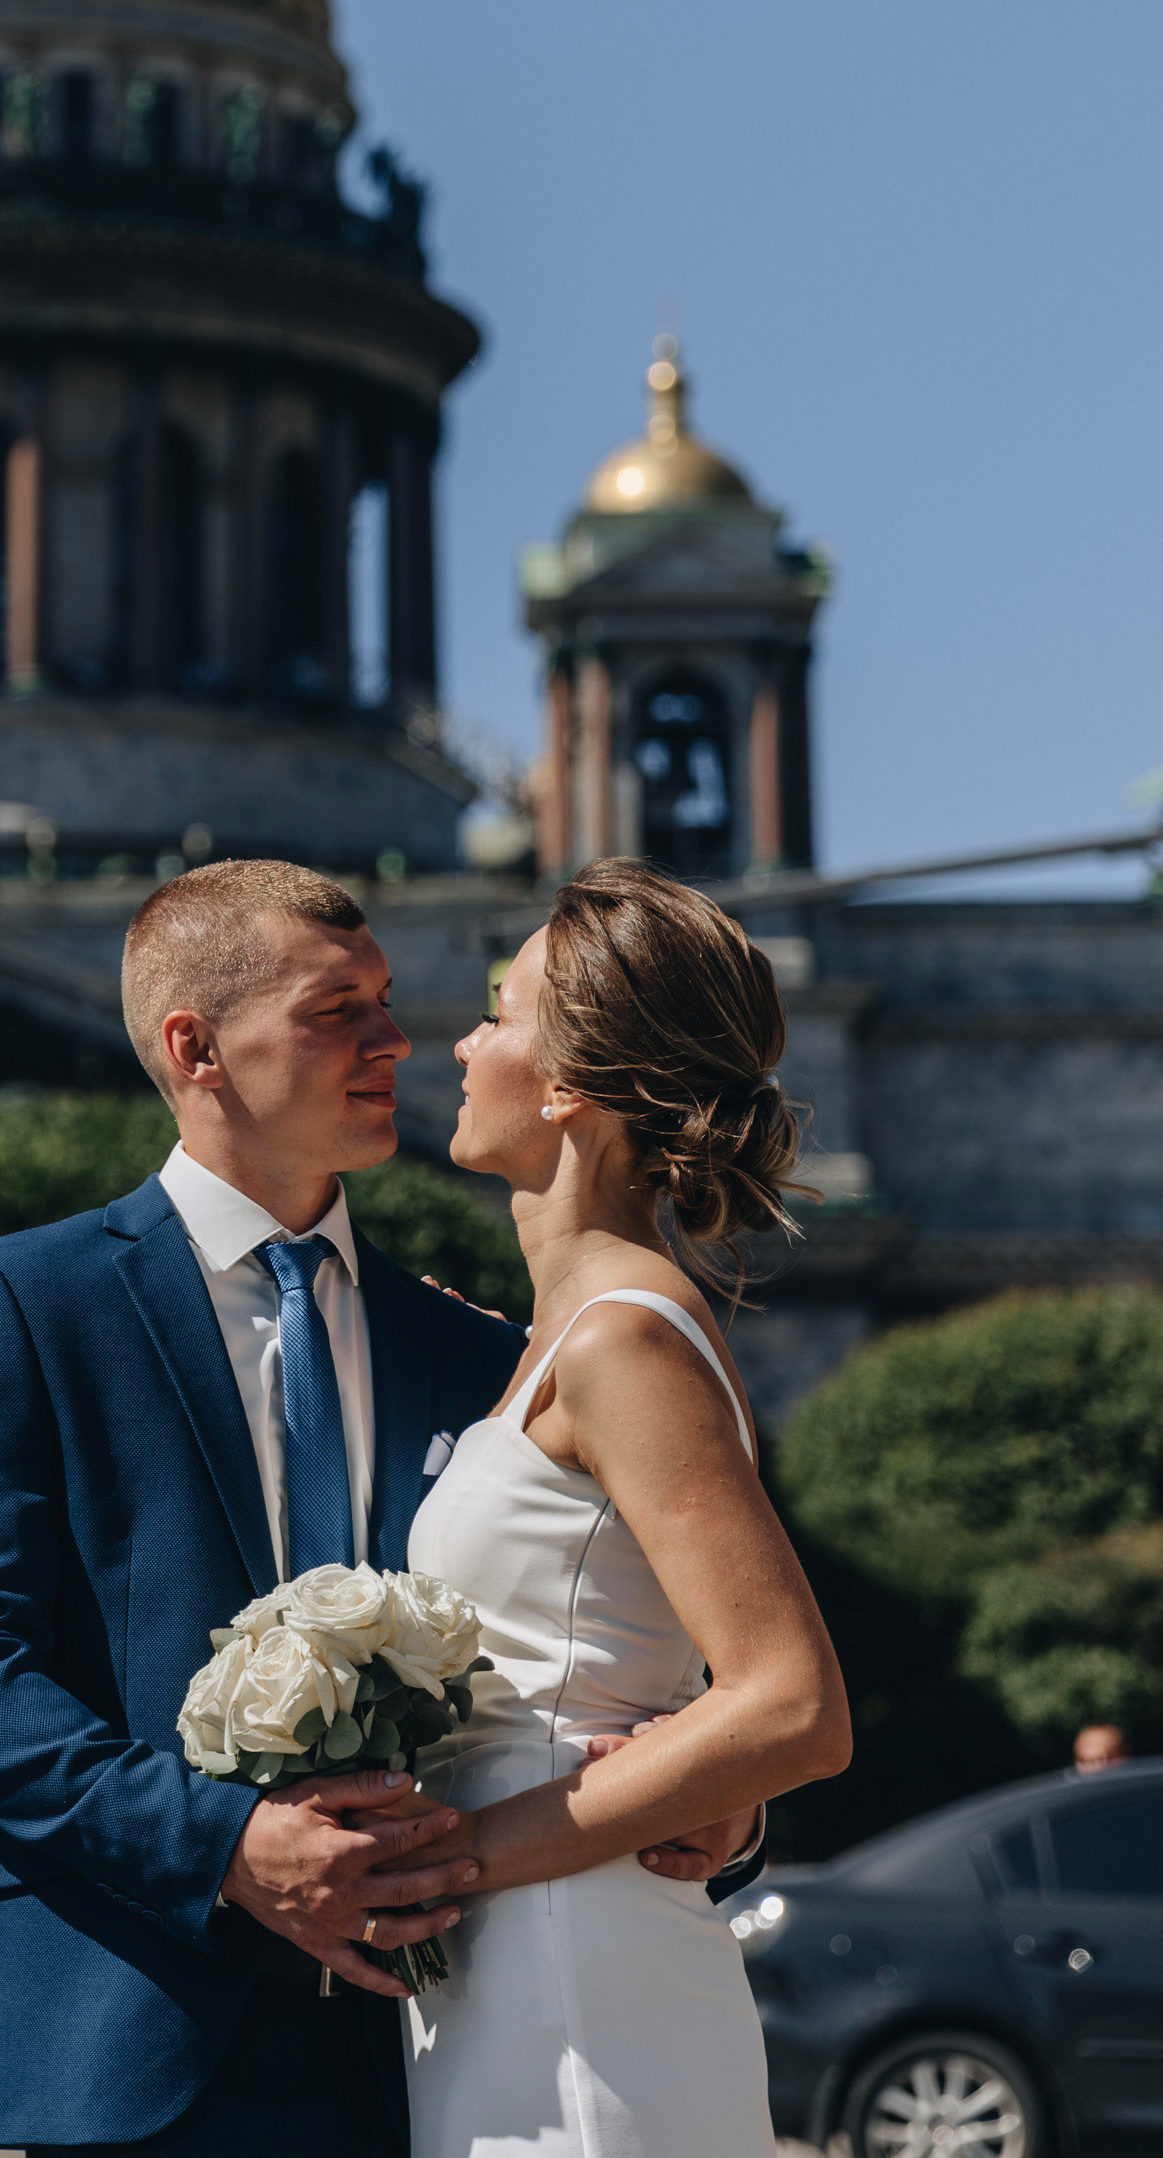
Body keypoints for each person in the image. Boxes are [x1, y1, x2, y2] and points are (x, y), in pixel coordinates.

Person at [0, 858, 765, 2157]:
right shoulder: (26, 1302)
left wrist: (722, 1805)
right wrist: (230, 1840)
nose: (394, 1040)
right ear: (197, 1047)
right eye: (335, 1008)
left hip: (432, 2047)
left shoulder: (488, 1353)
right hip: (133, 2036)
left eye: (389, 998)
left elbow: (604, 1646)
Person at [394, 857, 850, 2158]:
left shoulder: (622, 1341)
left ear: (561, 1088)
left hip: (576, 1971)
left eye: (496, 1009)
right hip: (529, 1961)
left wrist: (453, 1859)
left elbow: (793, 1703)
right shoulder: (572, 1333)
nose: (463, 1043)